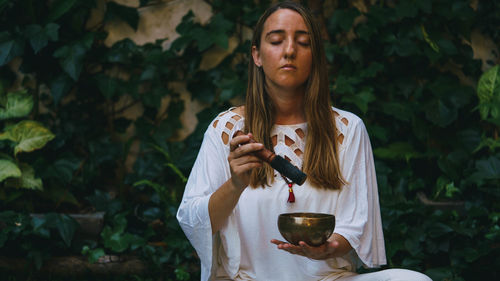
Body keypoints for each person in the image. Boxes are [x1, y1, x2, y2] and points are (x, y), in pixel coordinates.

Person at [177, 2, 432, 280]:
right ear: (257, 55)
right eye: (276, 41)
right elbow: (195, 222)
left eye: (303, 43)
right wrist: (236, 184)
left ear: (315, 56)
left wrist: (330, 247)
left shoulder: (348, 129)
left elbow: (357, 225)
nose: (289, 51)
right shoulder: (226, 129)